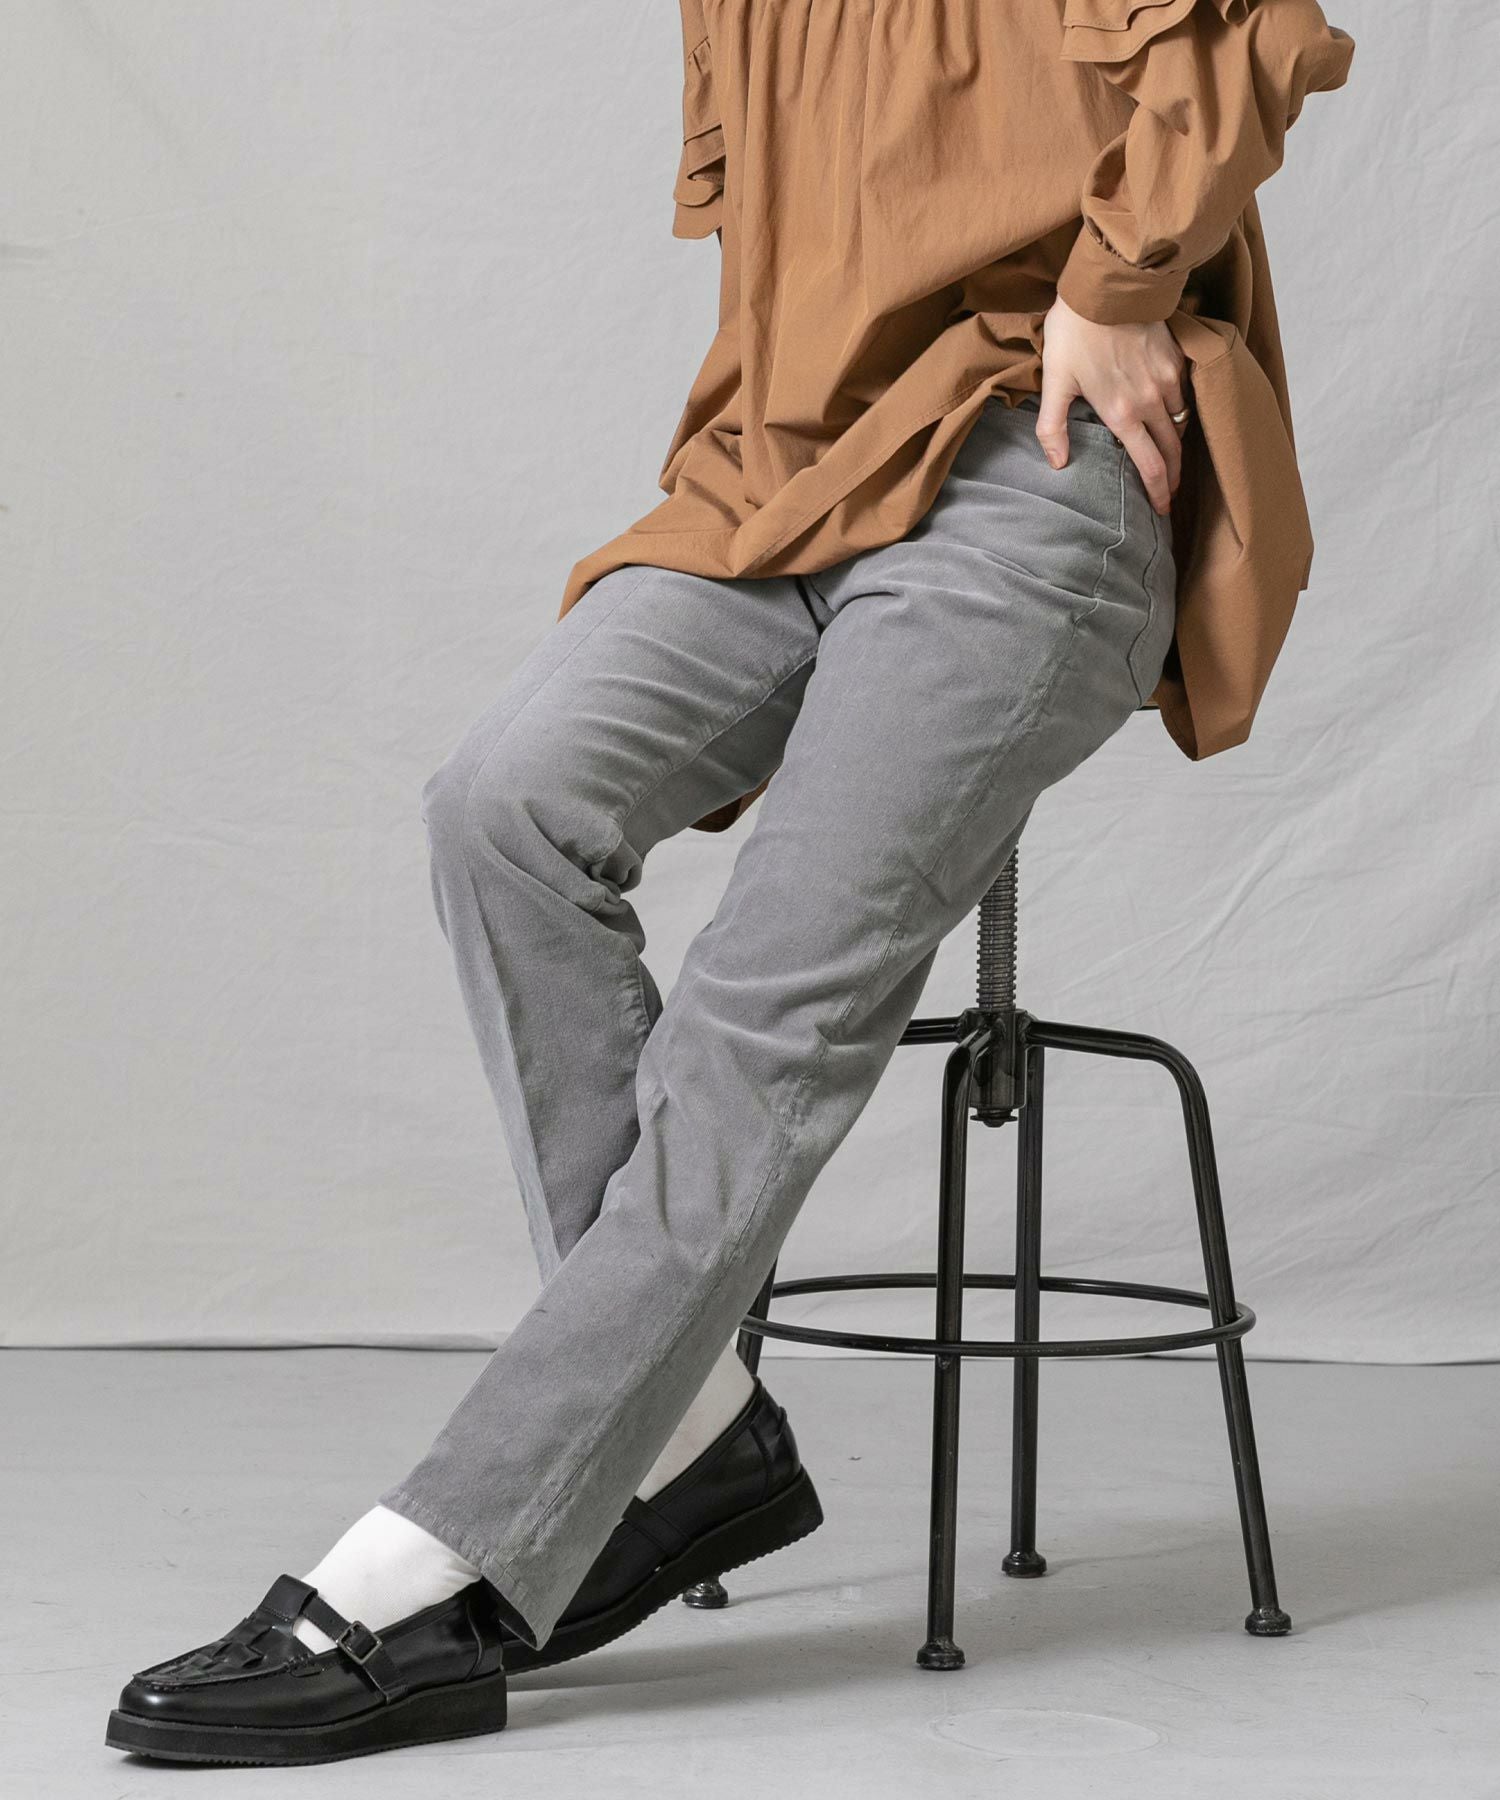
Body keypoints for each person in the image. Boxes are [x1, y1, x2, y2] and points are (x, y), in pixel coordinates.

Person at [107, 0, 1354, 1766]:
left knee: (756, 1018)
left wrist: (1117, 284)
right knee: (502, 809)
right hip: (780, 474)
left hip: (1034, 463)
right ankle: (689, 1435)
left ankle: (444, 1556)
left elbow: (1244, 40)